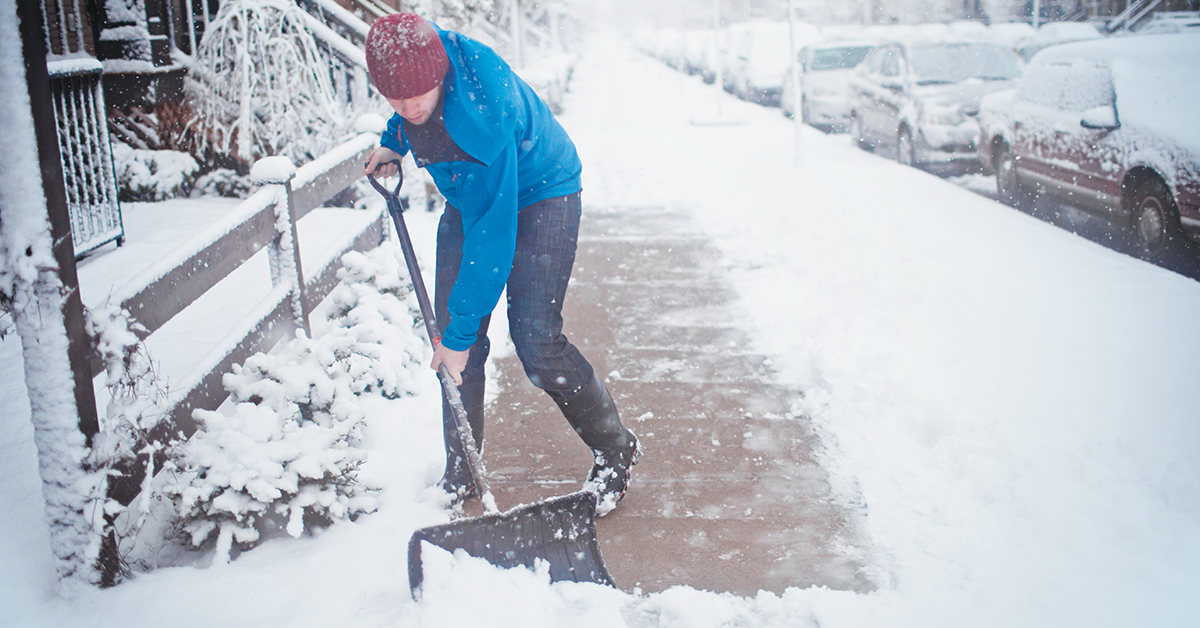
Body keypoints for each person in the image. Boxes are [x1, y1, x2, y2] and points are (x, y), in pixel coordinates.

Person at [362, 13, 641, 515]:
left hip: (542, 191)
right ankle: (462, 472)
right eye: (393, 100)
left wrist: (461, 333)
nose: (407, 106)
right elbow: (410, 109)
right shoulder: (419, 57)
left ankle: (616, 449)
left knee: (535, 340)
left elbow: (493, 241)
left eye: (417, 96)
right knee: (453, 342)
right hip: (475, 192)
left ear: (440, 74)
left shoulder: (482, 117)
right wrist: (394, 138)